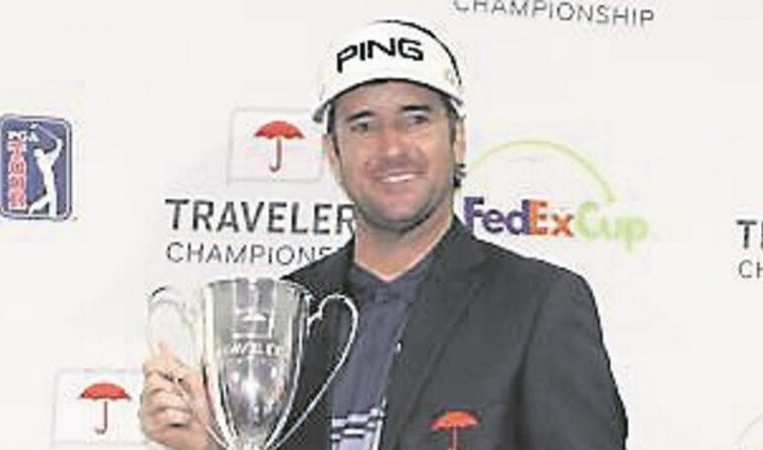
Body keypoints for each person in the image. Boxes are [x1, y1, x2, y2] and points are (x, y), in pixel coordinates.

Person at [139, 18, 627, 450]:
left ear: (457, 139)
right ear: (333, 153)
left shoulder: (537, 303)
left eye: (416, 119)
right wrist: (211, 446)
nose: (392, 148)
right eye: (363, 125)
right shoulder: (285, 314)